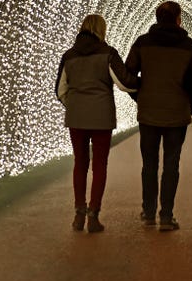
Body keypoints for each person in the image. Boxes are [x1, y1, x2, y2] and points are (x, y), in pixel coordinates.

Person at [55, 14, 137, 233]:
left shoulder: (69, 56)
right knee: (100, 164)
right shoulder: (107, 53)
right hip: (101, 117)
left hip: (76, 118)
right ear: (101, 30)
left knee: (80, 162)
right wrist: (145, 85)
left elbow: (60, 90)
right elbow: (124, 83)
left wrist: (74, 106)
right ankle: (93, 214)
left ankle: (78, 214)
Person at [125, 1, 192, 231]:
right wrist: (188, 105)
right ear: (178, 19)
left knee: (149, 164)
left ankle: (148, 213)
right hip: (177, 114)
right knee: (171, 164)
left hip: (148, 113)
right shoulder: (190, 46)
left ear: (157, 18)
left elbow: (128, 75)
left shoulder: (142, 43)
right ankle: (166, 216)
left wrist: (141, 96)